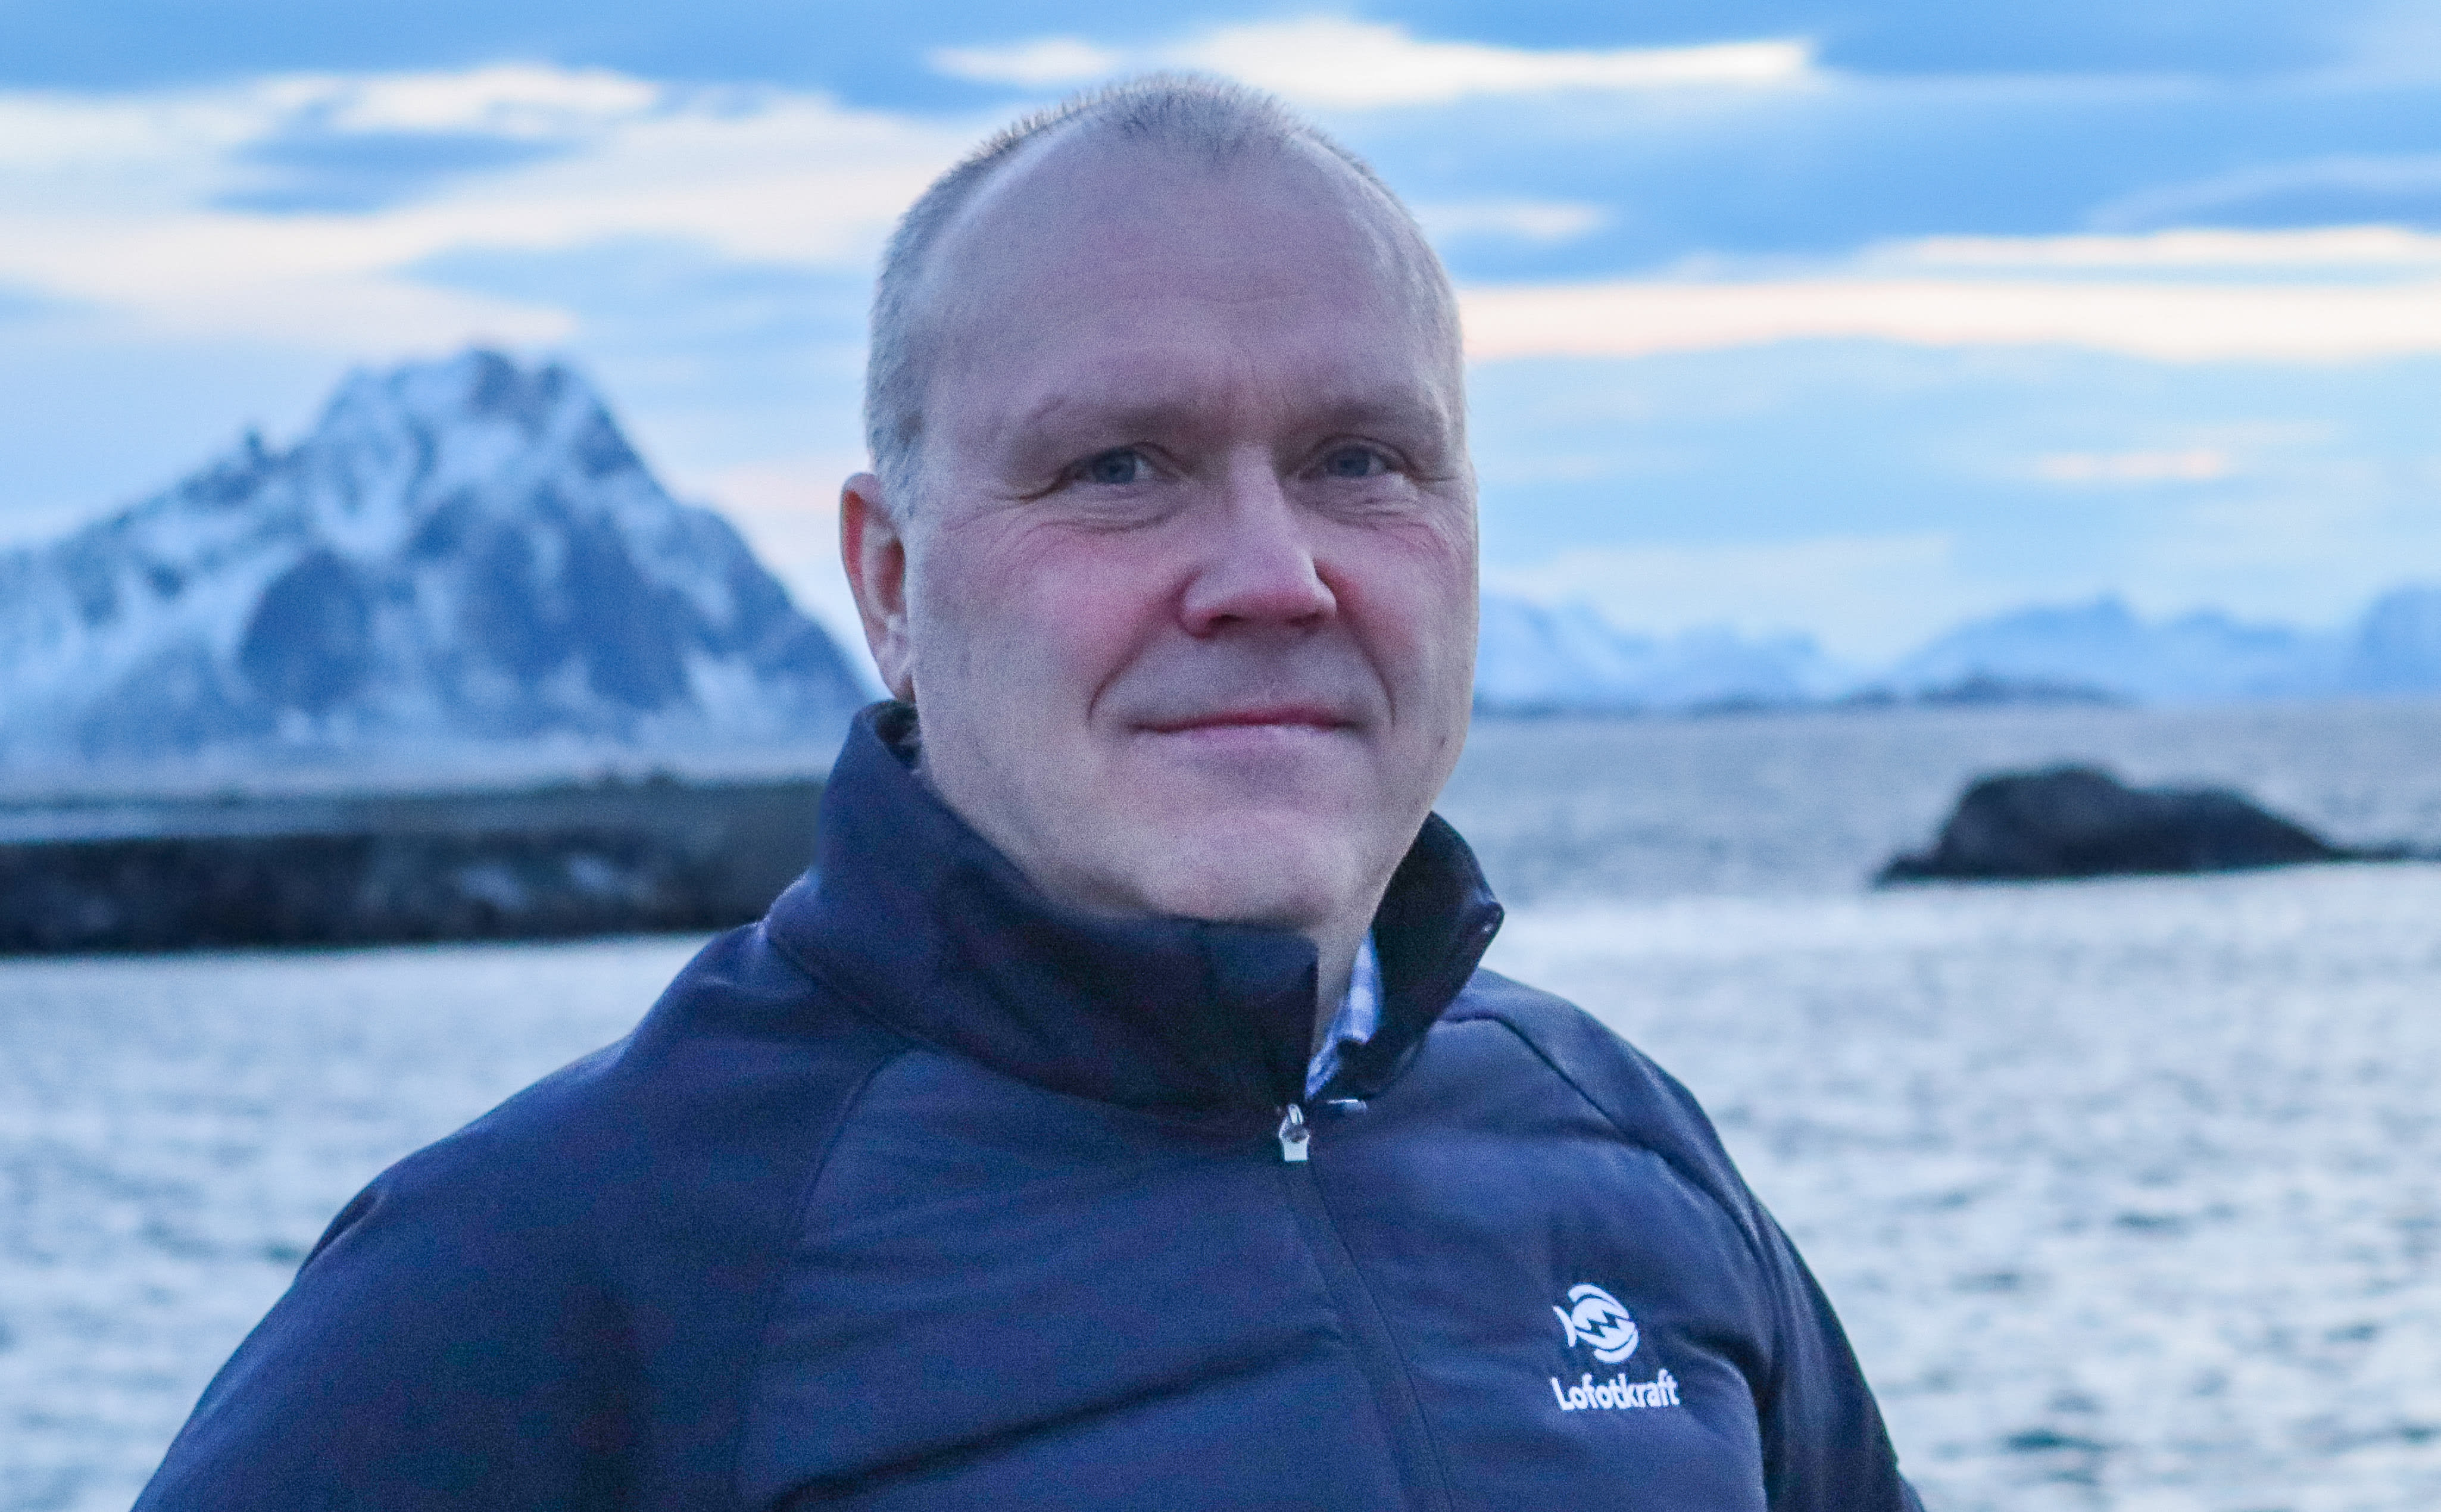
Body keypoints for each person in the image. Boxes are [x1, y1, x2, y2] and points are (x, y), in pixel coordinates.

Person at [138, 76, 1922, 1510]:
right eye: (1118, 467)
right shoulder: (555, 1268)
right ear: (892, 585)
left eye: (1360, 459)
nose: (1273, 576)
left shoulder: (1615, 1152)